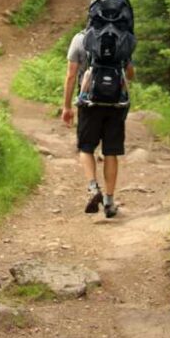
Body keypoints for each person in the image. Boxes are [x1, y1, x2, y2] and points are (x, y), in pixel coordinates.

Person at [61, 29, 134, 218]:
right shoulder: (123, 38)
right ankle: (109, 202)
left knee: (86, 148)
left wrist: (67, 106)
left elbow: (71, 75)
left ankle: (93, 188)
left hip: (89, 103)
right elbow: (130, 74)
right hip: (116, 104)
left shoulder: (79, 38)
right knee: (110, 151)